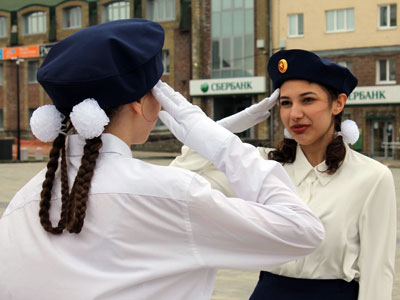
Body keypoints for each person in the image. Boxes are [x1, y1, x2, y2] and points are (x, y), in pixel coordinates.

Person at [0, 22, 324, 300]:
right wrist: (220, 144)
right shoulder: (172, 194)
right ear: (141, 103)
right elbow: (303, 230)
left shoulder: (24, 202)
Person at [171, 49, 397, 300]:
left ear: (338, 103)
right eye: (286, 103)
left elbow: (378, 272)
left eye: (308, 100)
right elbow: (182, 178)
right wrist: (224, 129)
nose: (295, 114)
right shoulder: (262, 165)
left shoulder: (372, 177)